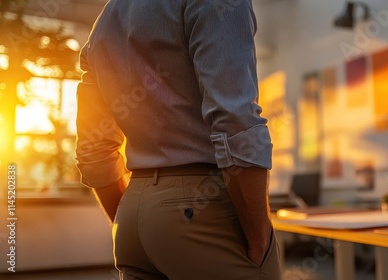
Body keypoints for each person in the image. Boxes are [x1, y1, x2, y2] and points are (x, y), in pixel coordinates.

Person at [75, 0, 281, 279]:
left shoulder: (107, 19)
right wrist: (260, 238)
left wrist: (134, 218)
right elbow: (235, 120)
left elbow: (92, 149)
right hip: (204, 207)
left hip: (132, 215)